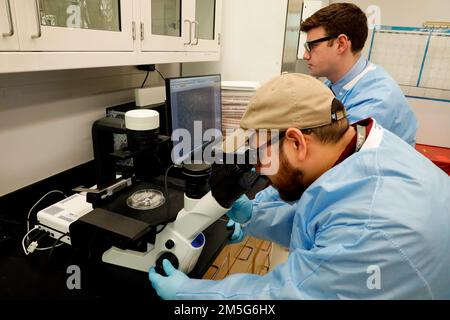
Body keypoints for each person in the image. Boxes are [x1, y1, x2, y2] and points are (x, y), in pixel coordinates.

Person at [148, 73, 450, 299]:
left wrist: (189, 296)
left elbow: (283, 297)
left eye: (260, 152)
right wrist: (254, 216)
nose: (258, 166)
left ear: (296, 142)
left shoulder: (369, 227)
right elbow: (326, 221)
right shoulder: (369, 148)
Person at [300, 2, 418, 146]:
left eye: (312, 46)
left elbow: (335, 153)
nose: (305, 55)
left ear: (341, 44)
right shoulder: (335, 83)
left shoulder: (376, 102)